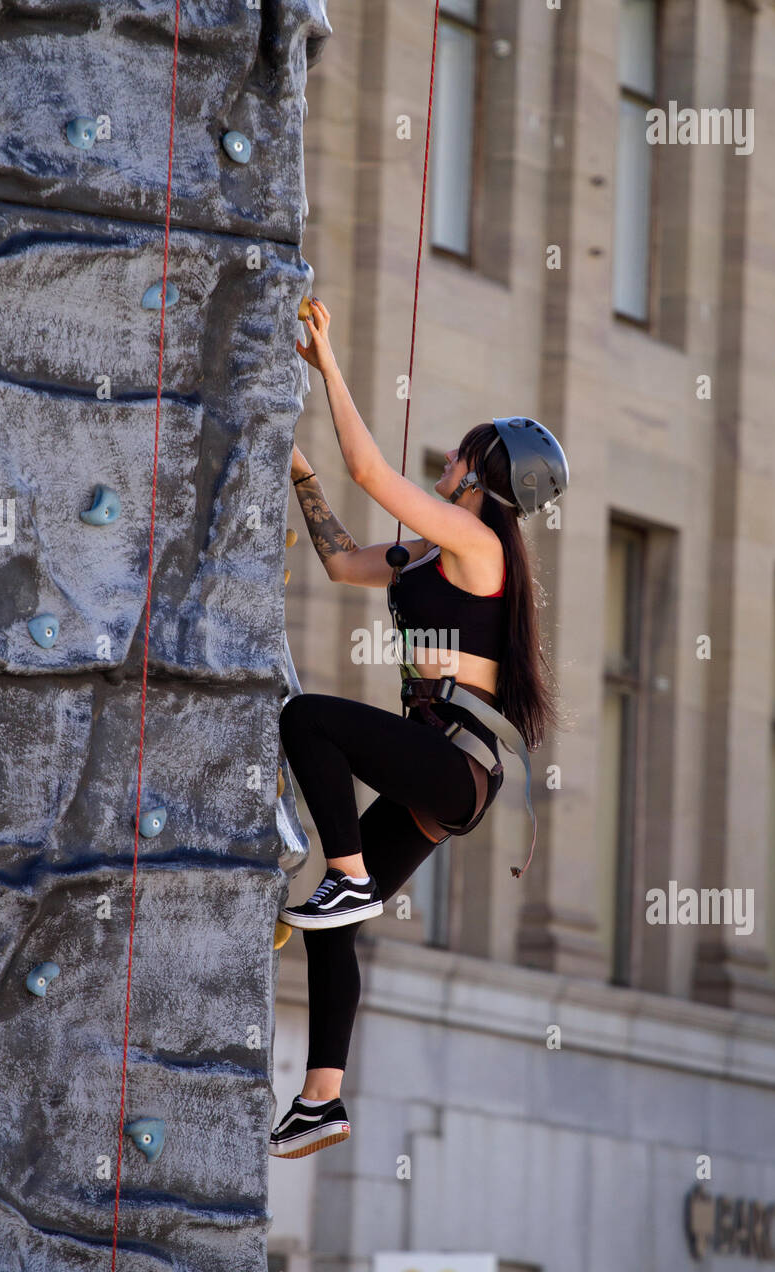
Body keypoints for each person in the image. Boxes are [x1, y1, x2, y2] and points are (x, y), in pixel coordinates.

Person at [269, 298, 568, 1159]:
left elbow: (369, 470)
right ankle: (323, 1097)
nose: (448, 458)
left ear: (482, 475)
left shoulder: (480, 545)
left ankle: (350, 875)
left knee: (307, 719)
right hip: (442, 777)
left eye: (463, 452)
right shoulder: (434, 555)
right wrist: (298, 474)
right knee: (333, 923)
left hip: (452, 768)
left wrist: (325, 362)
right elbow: (337, 559)